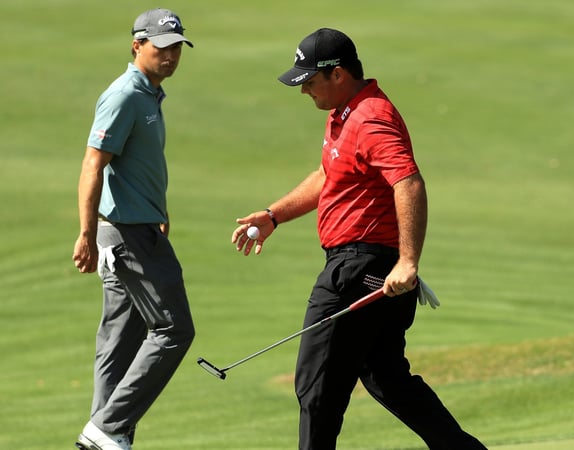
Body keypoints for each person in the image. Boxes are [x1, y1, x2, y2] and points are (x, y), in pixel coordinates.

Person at [232, 28, 487, 450]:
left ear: (336, 74)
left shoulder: (371, 116)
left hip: (360, 267)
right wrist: (276, 215)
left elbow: (408, 182)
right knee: (387, 378)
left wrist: (408, 261)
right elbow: (327, 177)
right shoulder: (344, 115)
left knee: (316, 386)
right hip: (369, 268)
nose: (304, 91)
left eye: (309, 81)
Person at [71, 8, 195, 450]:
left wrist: (156, 207)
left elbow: (134, 166)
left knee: (120, 341)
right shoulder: (125, 95)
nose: (170, 55)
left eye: (176, 46)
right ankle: (109, 428)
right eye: (161, 46)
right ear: (137, 45)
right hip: (127, 234)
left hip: (135, 225)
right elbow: (93, 163)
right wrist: (86, 232)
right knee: (173, 330)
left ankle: (102, 436)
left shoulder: (149, 95)